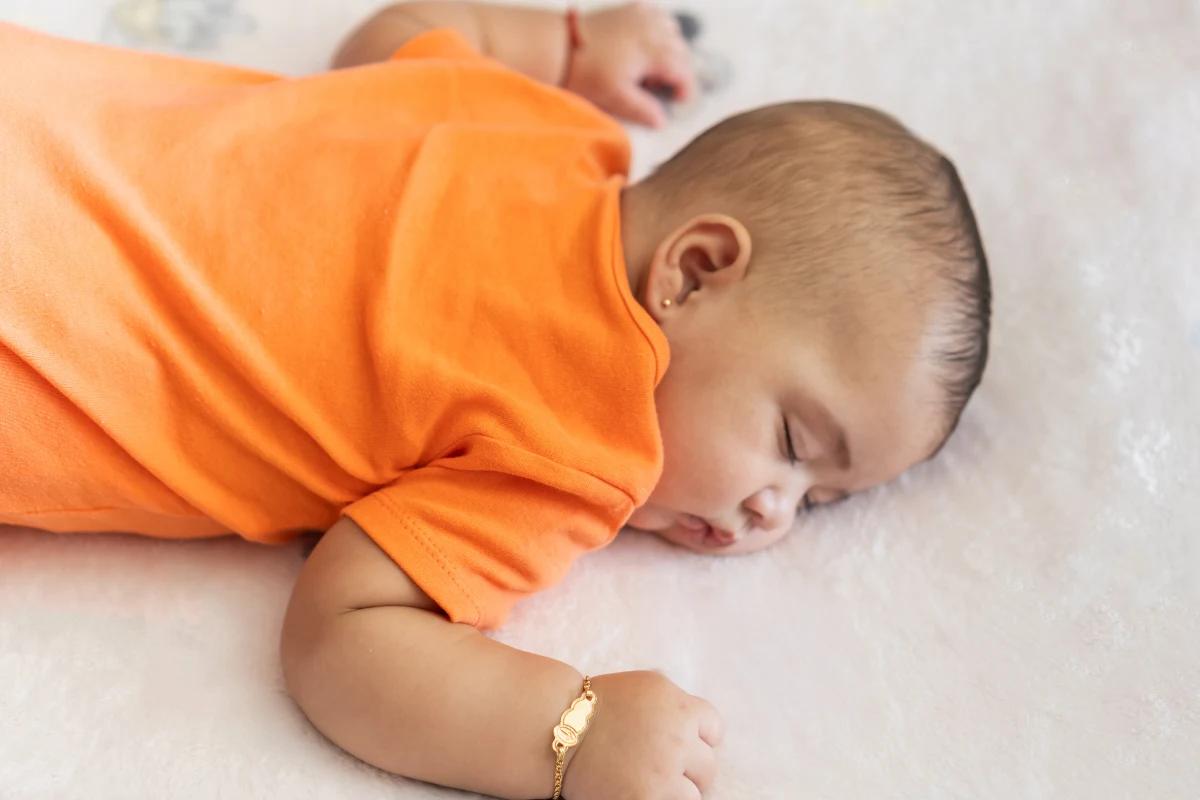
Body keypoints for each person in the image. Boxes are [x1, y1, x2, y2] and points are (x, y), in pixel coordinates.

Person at [0, 2, 991, 797]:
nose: (774, 507)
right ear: (692, 270)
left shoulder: (549, 129)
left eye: (819, 500)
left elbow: (388, 40)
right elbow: (341, 634)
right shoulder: (578, 441)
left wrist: (562, 42)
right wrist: (570, 731)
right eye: (792, 439)